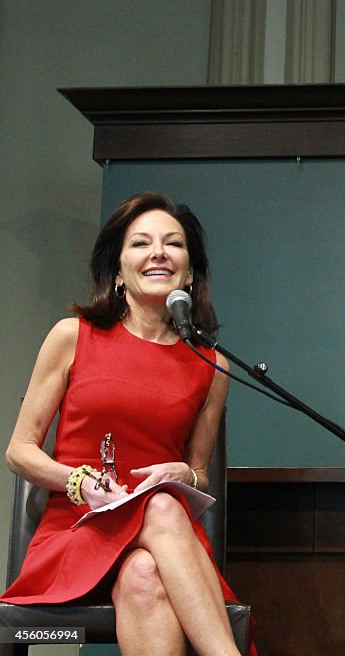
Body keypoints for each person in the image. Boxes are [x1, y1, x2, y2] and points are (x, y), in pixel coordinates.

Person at [2, 192, 254, 656]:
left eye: (172, 244)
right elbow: (19, 450)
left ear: (190, 270)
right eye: (141, 243)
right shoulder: (71, 335)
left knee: (144, 571)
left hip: (165, 539)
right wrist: (78, 480)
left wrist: (184, 474)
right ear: (118, 270)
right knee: (160, 510)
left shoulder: (212, 364)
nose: (158, 252)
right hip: (79, 526)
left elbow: (199, 471)